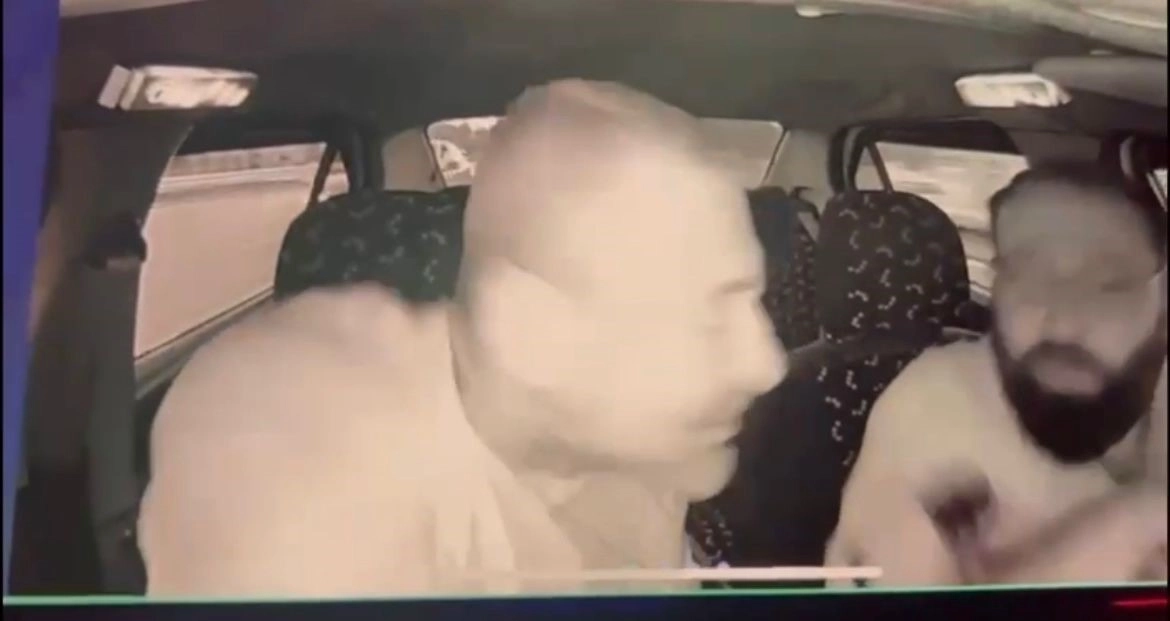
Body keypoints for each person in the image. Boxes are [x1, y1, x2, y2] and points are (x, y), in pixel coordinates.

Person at [136, 79, 786, 596]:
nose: (768, 364)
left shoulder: (632, 446)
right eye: (711, 314)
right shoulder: (299, 444)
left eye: (752, 300)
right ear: (535, 332)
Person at [825, 163, 1167, 586]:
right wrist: (1130, 526)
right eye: (1028, 276)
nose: (1063, 325)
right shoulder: (935, 403)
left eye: (1109, 284)